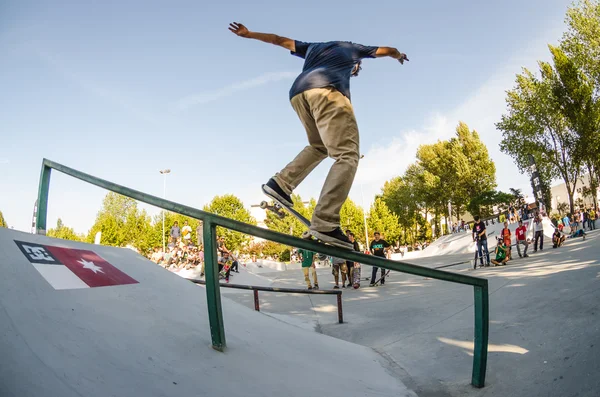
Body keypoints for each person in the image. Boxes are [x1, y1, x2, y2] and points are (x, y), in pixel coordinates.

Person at [229, 22, 408, 249]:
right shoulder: (354, 49)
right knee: (347, 155)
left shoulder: (313, 47)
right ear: (356, 63)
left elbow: (278, 39)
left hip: (299, 94)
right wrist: (399, 55)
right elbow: (389, 50)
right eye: (356, 69)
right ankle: (325, 221)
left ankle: (280, 184)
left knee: (320, 146)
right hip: (327, 92)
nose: (355, 71)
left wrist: (249, 34)